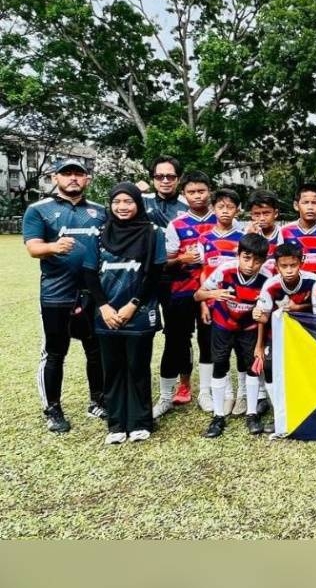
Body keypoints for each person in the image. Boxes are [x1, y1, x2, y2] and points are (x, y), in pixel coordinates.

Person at [23, 158, 107, 433]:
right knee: (56, 352)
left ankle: (98, 400)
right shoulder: (39, 210)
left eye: (79, 174)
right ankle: (53, 409)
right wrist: (54, 247)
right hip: (56, 293)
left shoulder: (99, 211)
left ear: (87, 180)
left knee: (95, 350)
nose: (73, 178)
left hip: (93, 293)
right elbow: (33, 248)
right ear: (54, 178)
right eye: (67, 173)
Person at [82, 183, 165, 444]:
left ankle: (140, 422)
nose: (122, 207)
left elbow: (155, 274)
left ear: (138, 204)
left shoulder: (153, 233)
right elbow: (89, 274)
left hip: (139, 312)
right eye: (117, 201)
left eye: (128, 201)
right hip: (106, 314)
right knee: (113, 368)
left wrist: (133, 304)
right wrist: (104, 306)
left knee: (137, 366)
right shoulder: (98, 232)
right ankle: (116, 424)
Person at [195, 233, 271, 438]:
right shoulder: (224, 270)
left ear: (263, 261)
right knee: (219, 364)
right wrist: (213, 294)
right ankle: (218, 416)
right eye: (246, 258)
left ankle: (252, 413)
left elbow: (267, 310)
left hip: (248, 328)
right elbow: (198, 294)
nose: (250, 264)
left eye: (257, 260)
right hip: (223, 325)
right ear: (238, 255)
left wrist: (260, 338)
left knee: (251, 368)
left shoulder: (267, 278)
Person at [162, 171, 219, 414]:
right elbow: (164, 261)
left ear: (210, 192)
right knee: (178, 339)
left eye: (201, 191)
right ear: (184, 195)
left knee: (208, 340)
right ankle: (183, 386)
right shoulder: (176, 224)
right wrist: (181, 258)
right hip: (181, 291)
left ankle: (205, 391)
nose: (197, 196)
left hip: (212, 292)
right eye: (191, 192)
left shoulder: (222, 219)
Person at [252, 242, 316, 435]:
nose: (289, 270)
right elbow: (263, 318)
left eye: (293, 265)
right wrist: (259, 345)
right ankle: (280, 412)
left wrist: (299, 308)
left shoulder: (313, 281)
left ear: (301, 262)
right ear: (276, 266)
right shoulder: (270, 285)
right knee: (270, 367)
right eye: (284, 266)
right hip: (277, 337)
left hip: (307, 335)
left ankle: (310, 409)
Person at [141, 155, 191, 406]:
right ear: (152, 179)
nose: (165, 181)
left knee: (178, 334)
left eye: (170, 176)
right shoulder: (140, 201)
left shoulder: (186, 205)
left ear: (178, 179)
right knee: (144, 330)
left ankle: (184, 383)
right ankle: (143, 382)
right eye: (159, 176)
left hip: (178, 279)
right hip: (146, 277)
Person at [279, 182, 316, 275]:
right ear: (296, 205)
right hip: (296, 286)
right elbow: (280, 262)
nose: (310, 207)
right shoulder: (284, 231)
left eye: (314, 203)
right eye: (305, 202)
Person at [245, 189, 283, 269]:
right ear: (251, 215)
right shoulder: (247, 233)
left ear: (275, 213)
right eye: (257, 214)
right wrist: (250, 238)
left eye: (266, 214)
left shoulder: (283, 234)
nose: (262, 218)